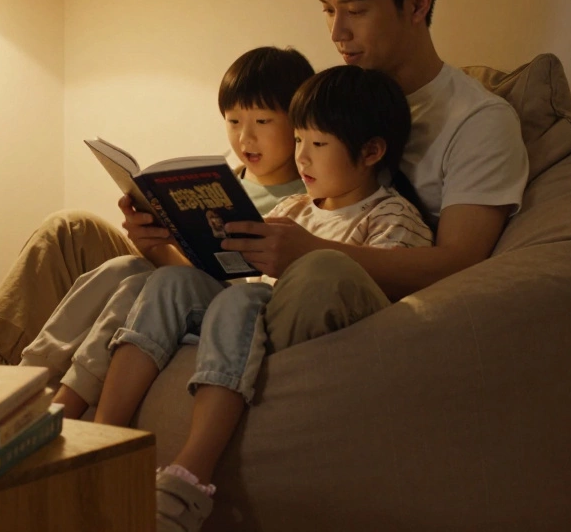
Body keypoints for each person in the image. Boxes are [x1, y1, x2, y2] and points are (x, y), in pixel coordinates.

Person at [114, 0, 529, 532]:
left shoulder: (476, 121)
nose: (336, 31)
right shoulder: (322, 102)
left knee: (320, 273)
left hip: (344, 299)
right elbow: (254, 208)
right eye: (327, 10)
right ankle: (41, 421)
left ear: (418, 3)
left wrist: (305, 251)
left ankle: (189, 470)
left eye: (355, 10)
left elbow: (463, 265)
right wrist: (164, 242)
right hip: (256, 288)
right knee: (96, 252)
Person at [94, 65, 432, 530]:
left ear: (371, 151)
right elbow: (241, 280)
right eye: (298, 140)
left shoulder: (391, 216)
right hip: (238, 316)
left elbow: (385, 297)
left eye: (318, 145)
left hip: (281, 330)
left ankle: (190, 474)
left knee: (240, 301)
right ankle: (102, 439)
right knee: (168, 283)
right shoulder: (293, 208)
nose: (302, 157)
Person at [16, 47, 316, 420]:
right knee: (123, 268)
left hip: (235, 305)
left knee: (142, 281)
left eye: (263, 121)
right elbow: (185, 275)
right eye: (234, 121)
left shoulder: (308, 199)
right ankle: (24, 380)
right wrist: (154, 240)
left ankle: (63, 408)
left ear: (299, 121)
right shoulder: (222, 181)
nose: (245, 137)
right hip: (192, 288)